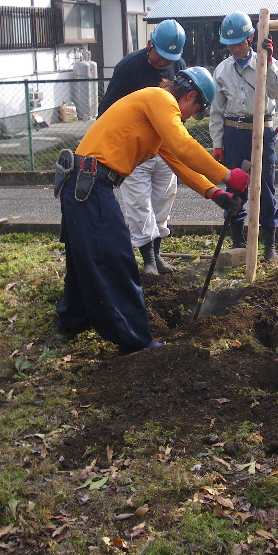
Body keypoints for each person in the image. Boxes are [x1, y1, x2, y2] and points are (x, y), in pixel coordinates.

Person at [54, 66, 249, 354]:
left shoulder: (156, 118)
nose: (190, 118)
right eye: (195, 110)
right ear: (190, 95)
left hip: (83, 183)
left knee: (85, 255)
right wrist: (227, 175)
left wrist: (214, 192)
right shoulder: (160, 100)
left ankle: (72, 319)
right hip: (90, 184)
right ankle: (136, 340)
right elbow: (184, 147)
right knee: (116, 258)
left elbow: (178, 161)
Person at [98, 19, 187, 275]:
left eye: (170, 58)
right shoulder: (129, 67)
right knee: (138, 203)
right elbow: (109, 107)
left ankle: (157, 256)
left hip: (165, 146)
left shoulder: (177, 66)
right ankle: (147, 259)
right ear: (150, 44)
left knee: (164, 198)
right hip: (135, 149)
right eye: (160, 56)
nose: (164, 63)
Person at [209, 11, 278, 260]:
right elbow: (216, 111)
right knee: (235, 186)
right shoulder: (222, 71)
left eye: (239, 42)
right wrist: (218, 143)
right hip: (234, 132)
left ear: (251, 38)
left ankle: (269, 247)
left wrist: (270, 62)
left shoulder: (266, 63)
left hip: (262, 131)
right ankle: (238, 242)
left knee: (265, 187)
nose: (234, 48)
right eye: (230, 44)